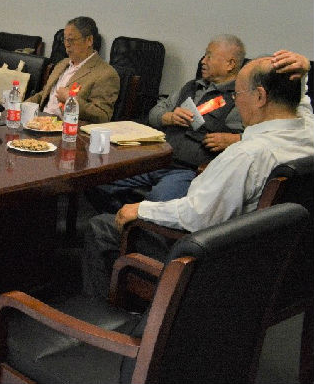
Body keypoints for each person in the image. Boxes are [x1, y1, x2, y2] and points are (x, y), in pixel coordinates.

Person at [81, 50, 314, 299]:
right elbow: (300, 105)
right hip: (275, 265)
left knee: (100, 227)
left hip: (207, 264)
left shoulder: (247, 155)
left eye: (237, 94)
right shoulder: (307, 133)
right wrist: (303, 74)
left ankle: (105, 312)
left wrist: (141, 210)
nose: (236, 101)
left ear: (259, 96)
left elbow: (197, 216)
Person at [87, 35, 246, 212]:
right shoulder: (191, 87)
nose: (203, 61)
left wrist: (236, 139)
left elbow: (258, 139)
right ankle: (122, 219)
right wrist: (168, 117)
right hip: (156, 159)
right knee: (96, 179)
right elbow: (154, 113)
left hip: (188, 170)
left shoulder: (240, 99)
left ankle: (134, 221)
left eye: (209, 56)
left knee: (156, 204)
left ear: (230, 64)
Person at [25, 16, 119, 124]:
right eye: (64, 39)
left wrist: (71, 99)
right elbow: (44, 94)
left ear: (89, 40)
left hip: (67, 128)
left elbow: (102, 116)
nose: (67, 44)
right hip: (40, 122)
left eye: (71, 40)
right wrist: (22, 106)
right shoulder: (62, 64)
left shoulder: (106, 74)